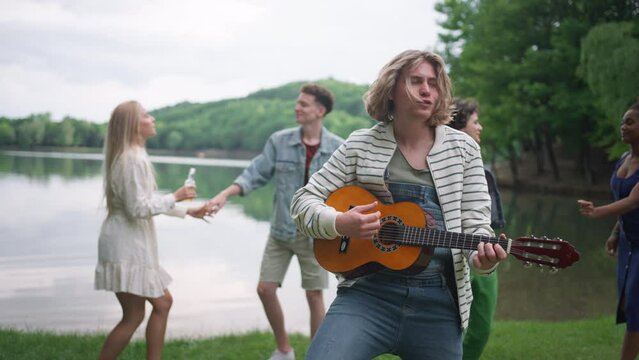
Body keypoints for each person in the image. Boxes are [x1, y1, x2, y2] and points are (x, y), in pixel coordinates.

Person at [290, 50, 508, 360]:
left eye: (434, 83)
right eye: (416, 81)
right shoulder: (360, 145)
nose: (426, 90)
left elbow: (476, 225)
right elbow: (302, 202)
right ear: (392, 89)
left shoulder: (465, 149)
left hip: (439, 303)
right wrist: (341, 223)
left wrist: (482, 259)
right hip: (367, 294)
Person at [206, 84, 344, 360]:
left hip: (318, 236)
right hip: (281, 231)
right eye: (298, 103)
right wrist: (224, 194)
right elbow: (254, 173)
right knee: (265, 289)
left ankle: (315, 356)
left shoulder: (338, 148)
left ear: (320, 111)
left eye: (304, 104)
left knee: (314, 295)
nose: (297, 107)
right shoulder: (279, 141)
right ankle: (284, 350)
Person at [95, 100, 209, 360]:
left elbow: (142, 202)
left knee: (142, 312)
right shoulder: (132, 159)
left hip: (129, 243)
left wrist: (187, 210)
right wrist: (177, 196)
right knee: (146, 310)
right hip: (127, 246)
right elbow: (138, 208)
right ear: (134, 125)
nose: (152, 118)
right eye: (146, 115)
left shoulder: (132, 156)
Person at [577, 101, 639, 360]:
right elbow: (627, 208)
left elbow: (633, 200)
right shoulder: (625, 158)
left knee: (635, 306)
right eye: (623, 121)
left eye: (630, 122)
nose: (622, 126)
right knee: (627, 303)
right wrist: (615, 233)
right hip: (628, 243)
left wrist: (597, 212)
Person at [448, 98, 506, 360]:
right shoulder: (440, 168)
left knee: (481, 328)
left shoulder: (482, 168)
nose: (480, 127)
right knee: (450, 328)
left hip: (484, 251)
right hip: (451, 256)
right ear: (460, 126)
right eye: (475, 122)